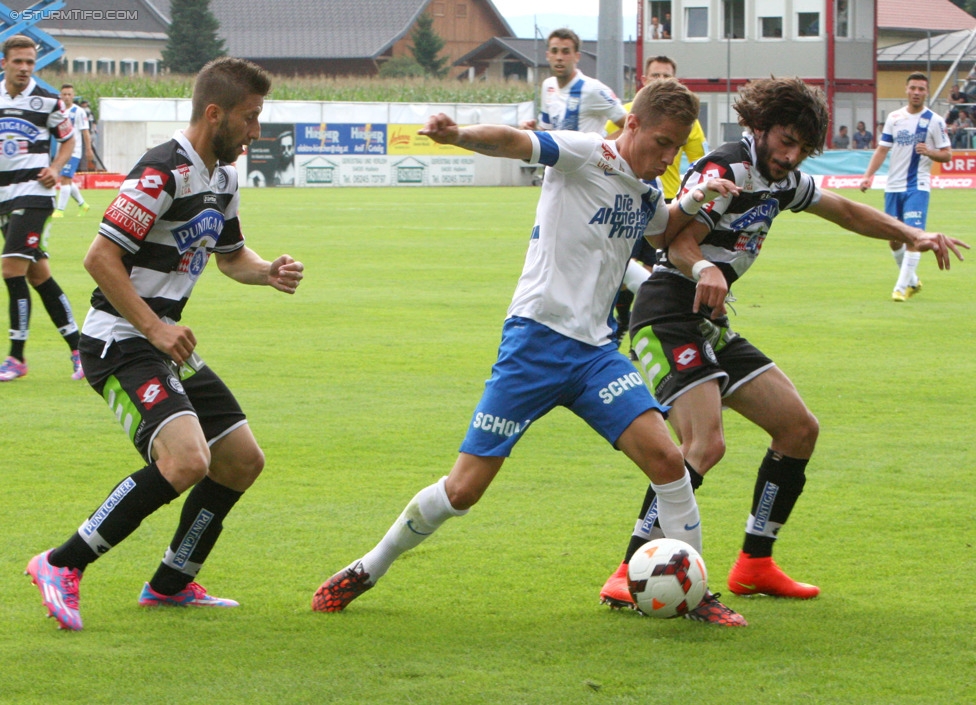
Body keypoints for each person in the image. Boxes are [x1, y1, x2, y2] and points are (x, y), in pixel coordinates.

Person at [312, 79, 748, 627]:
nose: (667, 156)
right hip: (535, 344)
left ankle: (695, 593)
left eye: (676, 147)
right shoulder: (588, 152)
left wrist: (695, 200)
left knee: (668, 462)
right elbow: (517, 142)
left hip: (595, 354)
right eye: (661, 142)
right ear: (631, 123)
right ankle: (368, 567)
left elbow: (663, 232)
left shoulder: (643, 190)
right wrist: (458, 135)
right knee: (463, 490)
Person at [598, 76, 967, 610]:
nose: (792, 156)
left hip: (709, 320)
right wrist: (704, 265)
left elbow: (842, 209)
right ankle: (628, 569)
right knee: (705, 444)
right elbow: (672, 236)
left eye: (802, 148)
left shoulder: (783, 180)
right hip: (666, 315)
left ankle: (755, 564)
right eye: (785, 142)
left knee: (797, 429)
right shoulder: (725, 168)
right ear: (760, 126)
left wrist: (911, 235)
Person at [24, 57, 305, 631]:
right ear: (214, 113)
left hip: (161, 343)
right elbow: (99, 259)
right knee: (185, 459)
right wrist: (155, 326)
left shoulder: (222, 178)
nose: (256, 131)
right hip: (118, 341)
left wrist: (266, 271)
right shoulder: (163, 171)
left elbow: (230, 258)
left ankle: (170, 583)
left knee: (241, 460)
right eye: (250, 119)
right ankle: (59, 562)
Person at [606, 56, 709, 345]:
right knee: (618, 268)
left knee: (656, 274)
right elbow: (604, 151)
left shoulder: (689, 123)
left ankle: (639, 330)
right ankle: (620, 325)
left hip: (664, 202)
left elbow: (699, 162)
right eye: (656, 76)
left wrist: (695, 196)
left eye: (668, 77)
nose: (661, 81)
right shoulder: (626, 114)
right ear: (644, 80)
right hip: (623, 202)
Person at [0, 35, 81, 382]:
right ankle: (80, 350)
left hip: (34, 196)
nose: (24, 68)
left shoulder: (48, 100)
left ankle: (16, 358)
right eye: (17, 61)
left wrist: (57, 169)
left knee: (10, 270)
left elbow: (68, 139)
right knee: (39, 276)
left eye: (30, 62)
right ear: (4, 62)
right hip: (5, 197)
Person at [859, 72, 952, 302]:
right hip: (893, 186)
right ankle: (912, 281)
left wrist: (930, 152)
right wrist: (868, 176)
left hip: (917, 186)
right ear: (907, 90)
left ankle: (901, 288)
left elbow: (947, 154)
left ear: (927, 92)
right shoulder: (894, 118)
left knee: (913, 236)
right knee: (893, 237)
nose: (917, 92)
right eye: (913, 88)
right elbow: (882, 149)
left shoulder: (935, 121)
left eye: (921, 89)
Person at [519, 28, 626, 136]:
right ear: (548, 55)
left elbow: (631, 127)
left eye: (566, 52)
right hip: (559, 153)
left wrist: (605, 146)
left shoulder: (593, 89)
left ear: (577, 57)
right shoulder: (548, 86)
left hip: (588, 153)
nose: (559, 57)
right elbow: (548, 132)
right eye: (554, 51)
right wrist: (532, 131)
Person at [52, 84, 94, 218]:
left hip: (74, 150)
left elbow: (85, 132)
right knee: (67, 179)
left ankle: (60, 210)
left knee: (65, 178)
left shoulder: (79, 111)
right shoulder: (58, 111)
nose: (66, 97)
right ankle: (83, 204)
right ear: (60, 95)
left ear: (73, 96)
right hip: (61, 150)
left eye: (69, 94)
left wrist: (88, 149)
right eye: (64, 94)